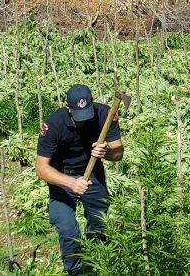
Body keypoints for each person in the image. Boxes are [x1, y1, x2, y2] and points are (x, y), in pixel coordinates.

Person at [35, 84, 124, 276]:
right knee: (67, 229)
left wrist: (105, 153)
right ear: (67, 107)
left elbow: (118, 153)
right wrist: (71, 183)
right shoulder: (54, 124)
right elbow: (41, 169)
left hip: (92, 172)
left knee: (100, 222)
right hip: (61, 177)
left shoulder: (105, 115)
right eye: (78, 115)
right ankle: (75, 271)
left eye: (86, 114)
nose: (83, 121)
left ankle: (99, 263)